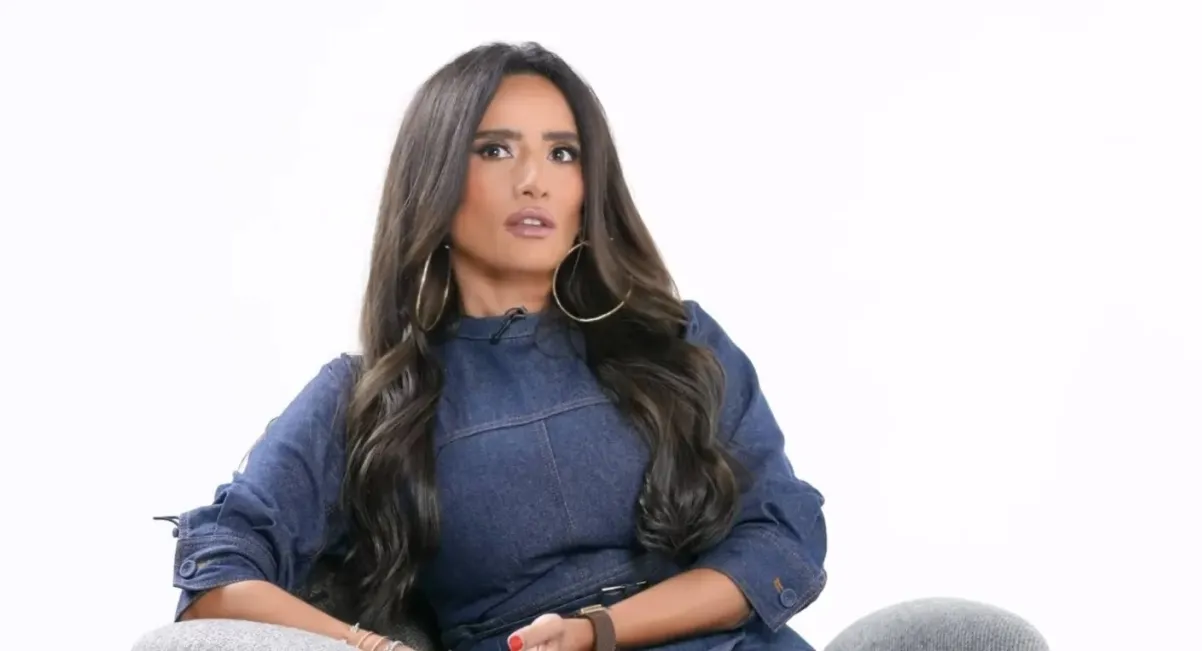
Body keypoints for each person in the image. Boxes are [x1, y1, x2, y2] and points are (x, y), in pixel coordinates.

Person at [140, 42, 1050, 651]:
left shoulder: (677, 344)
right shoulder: (370, 397)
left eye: (563, 154)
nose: (535, 180)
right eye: (496, 150)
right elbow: (219, 573)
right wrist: (369, 646)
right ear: (436, 178)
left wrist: (601, 630)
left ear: (589, 188)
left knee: (974, 636)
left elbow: (781, 535)